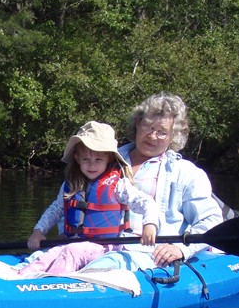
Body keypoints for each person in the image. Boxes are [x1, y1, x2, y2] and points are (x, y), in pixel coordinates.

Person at [0, 121, 159, 278]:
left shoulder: (119, 185)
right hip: (76, 240)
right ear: (77, 158)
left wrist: (149, 224)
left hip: (105, 246)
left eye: (98, 159)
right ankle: (19, 274)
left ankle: (44, 282)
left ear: (109, 158)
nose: (91, 165)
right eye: (86, 159)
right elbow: (55, 210)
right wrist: (39, 231)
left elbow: (146, 203)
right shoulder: (71, 185)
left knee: (71, 251)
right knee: (48, 254)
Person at [81, 92, 224, 273]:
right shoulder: (103, 159)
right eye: (148, 127)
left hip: (144, 254)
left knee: (105, 265)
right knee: (43, 259)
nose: (152, 136)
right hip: (94, 245)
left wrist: (181, 248)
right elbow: (71, 198)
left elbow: (211, 220)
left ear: (173, 137)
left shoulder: (187, 173)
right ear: (137, 126)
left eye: (162, 132)